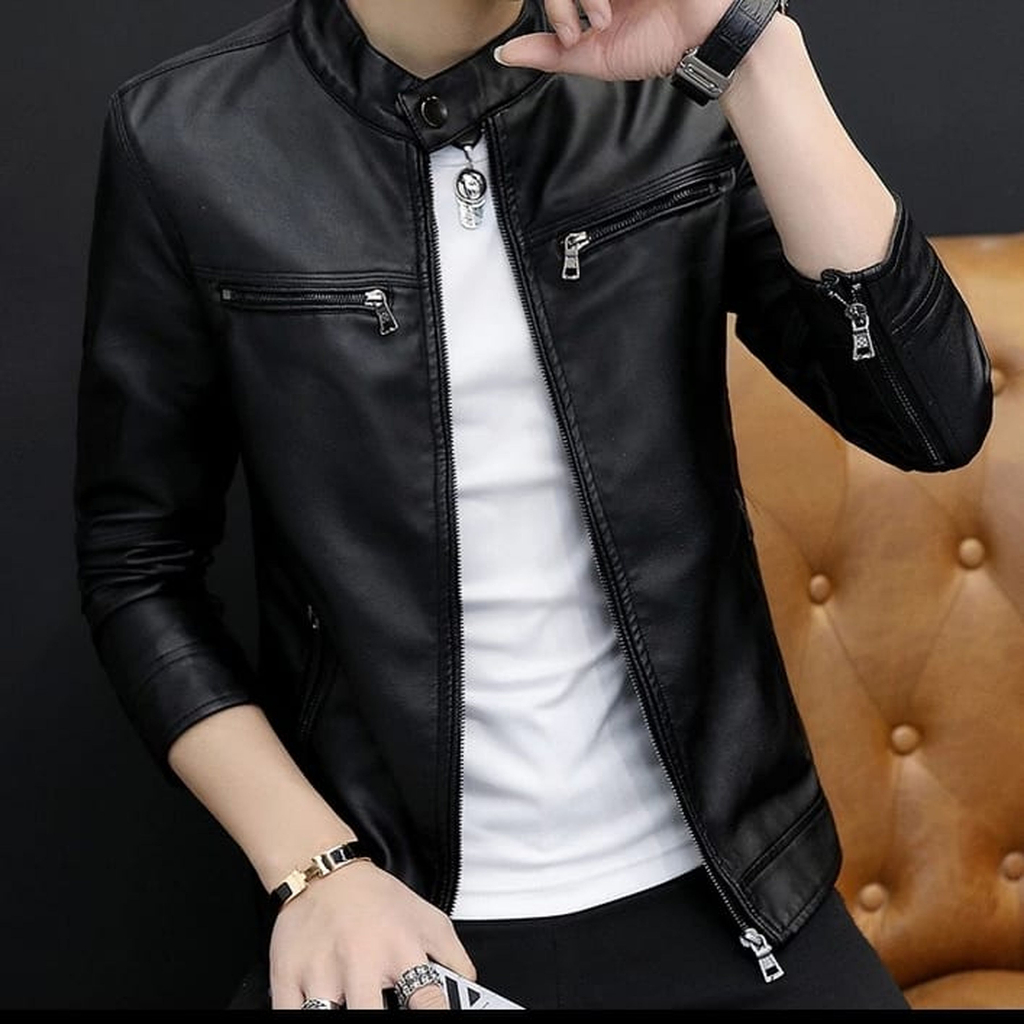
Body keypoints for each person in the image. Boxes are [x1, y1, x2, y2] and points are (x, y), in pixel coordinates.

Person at [73, 0, 992, 1011]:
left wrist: (751, 49)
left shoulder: (672, 92)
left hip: (738, 895)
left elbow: (932, 418)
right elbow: (138, 567)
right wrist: (317, 871)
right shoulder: (190, 136)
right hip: (405, 920)